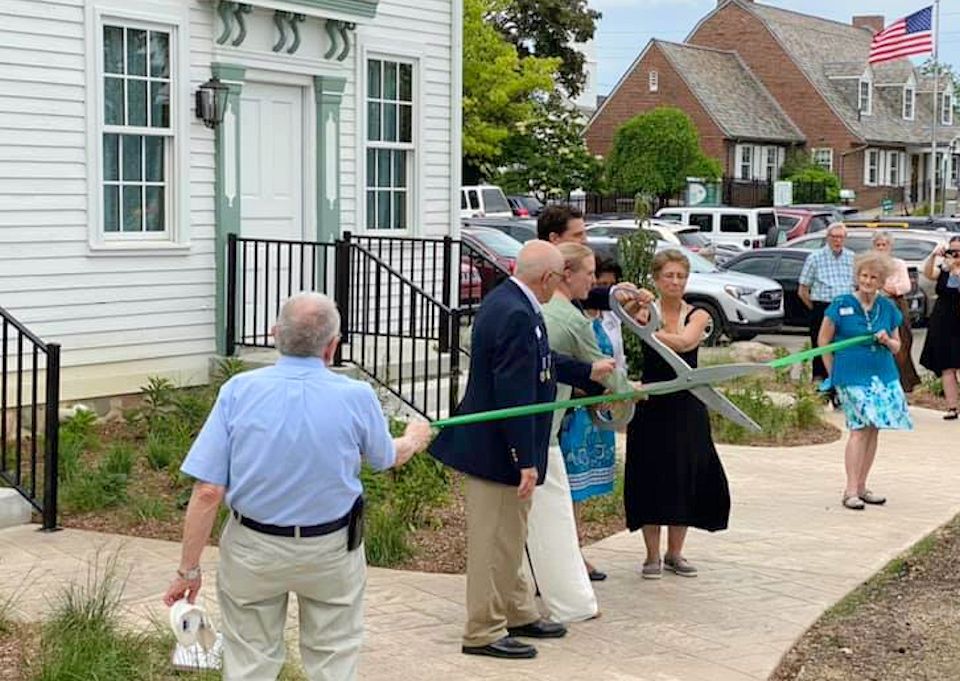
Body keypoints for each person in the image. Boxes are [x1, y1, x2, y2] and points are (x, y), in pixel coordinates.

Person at [162, 293, 433, 681]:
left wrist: (188, 570)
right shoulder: (356, 396)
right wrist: (414, 437)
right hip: (331, 549)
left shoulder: (238, 391)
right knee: (333, 661)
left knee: (250, 662)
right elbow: (385, 456)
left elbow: (208, 491)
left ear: (275, 334)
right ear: (332, 346)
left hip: (253, 548)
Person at [429, 240, 615, 661]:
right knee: (493, 542)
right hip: (497, 450)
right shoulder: (513, 310)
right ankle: (482, 629)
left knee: (511, 537)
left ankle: (515, 610)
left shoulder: (516, 301)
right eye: (558, 279)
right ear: (548, 278)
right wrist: (524, 459)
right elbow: (514, 392)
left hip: (507, 447)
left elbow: (540, 359)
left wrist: (586, 371)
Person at [526, 243, 641, 621]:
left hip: (529, 429)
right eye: (588, 274)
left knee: (529, 520)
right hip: (545, 434)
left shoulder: (537, 309)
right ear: (567, 275)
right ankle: (572, 603)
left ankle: (530, 590)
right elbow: (608, 375)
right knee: (556, 517)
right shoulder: (574, 320)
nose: (592, 281)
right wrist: (633, 390)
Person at [624, 249, 730, 580]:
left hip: (687, 402)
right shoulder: (646, 310)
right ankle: (652, 555)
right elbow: (619, 314)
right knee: (651, 474)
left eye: (680, 276)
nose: (675, 281)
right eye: (668, 275)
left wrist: (647, 332)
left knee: (685, 472)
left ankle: (675, 553)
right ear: (656, 279)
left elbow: (685, 343)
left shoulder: (697, 313)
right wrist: (634, 301)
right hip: (652, 400)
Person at [818, 252, 913, 510]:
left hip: (882, 376)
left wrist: (886, 340)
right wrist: (833, 373)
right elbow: (823, 342)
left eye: (873, 277)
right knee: (858, 429)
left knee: (874, 429)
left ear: (881, 280)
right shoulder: (841, 304)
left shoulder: (887, 308)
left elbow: (897, 347)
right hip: (851, 375)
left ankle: (862, 485)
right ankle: (850, 490)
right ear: (857, 277)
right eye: (864, 276)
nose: (868, 281)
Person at [798, 223, 855, 383]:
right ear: (827, 238)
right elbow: (803, 290)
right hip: (822, 306)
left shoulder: (851, 257)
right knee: (821, 345)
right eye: (834, 237)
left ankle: (842, 381)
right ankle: (820, 381)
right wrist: (815, 308)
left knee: (843, 345)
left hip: (845, 308)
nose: (837, 241)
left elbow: (857, 286)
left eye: (840, 237)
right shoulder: (815, 258)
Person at [871, 231, 920, 393]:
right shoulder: (870, 264)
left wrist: (886, 287)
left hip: (896, 304)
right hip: (875, 304)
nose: (881, 248)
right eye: (878, 245)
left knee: (902, 340)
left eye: (884, 244)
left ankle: (903, 382)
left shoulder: (898, 264)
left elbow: (905, 286)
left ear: (890, 247)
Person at [919, 236, 960, 420]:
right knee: (947, 365)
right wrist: (934, 256)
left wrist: (956, 272)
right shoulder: (944, 269)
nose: (956, 255)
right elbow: (928, 274)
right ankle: (952, 407)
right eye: (952, 251)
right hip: (943, 320)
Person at [589, 259, 628, 373]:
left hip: (618, 384)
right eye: (603, 284)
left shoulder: (612, 313)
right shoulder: (577, 315)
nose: (608, 290)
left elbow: (632, 309)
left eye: (612, 285)